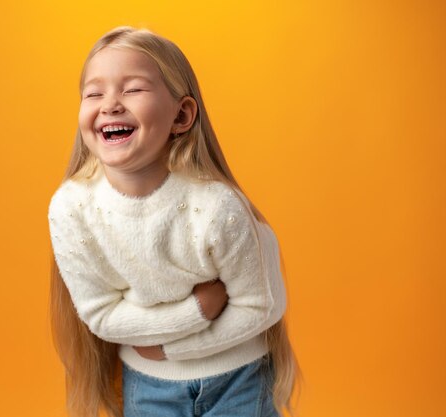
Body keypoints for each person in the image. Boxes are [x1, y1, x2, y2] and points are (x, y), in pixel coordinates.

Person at [48, 26, 302, 417]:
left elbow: (261, 306)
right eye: (94, 93)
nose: (110, 104)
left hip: (240, 377)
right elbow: (102, 316)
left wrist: (169, 349)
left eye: (132, 89)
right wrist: (199, 310)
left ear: (181, 115)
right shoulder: (71, 209)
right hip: (148, 385)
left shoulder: (217, 208)